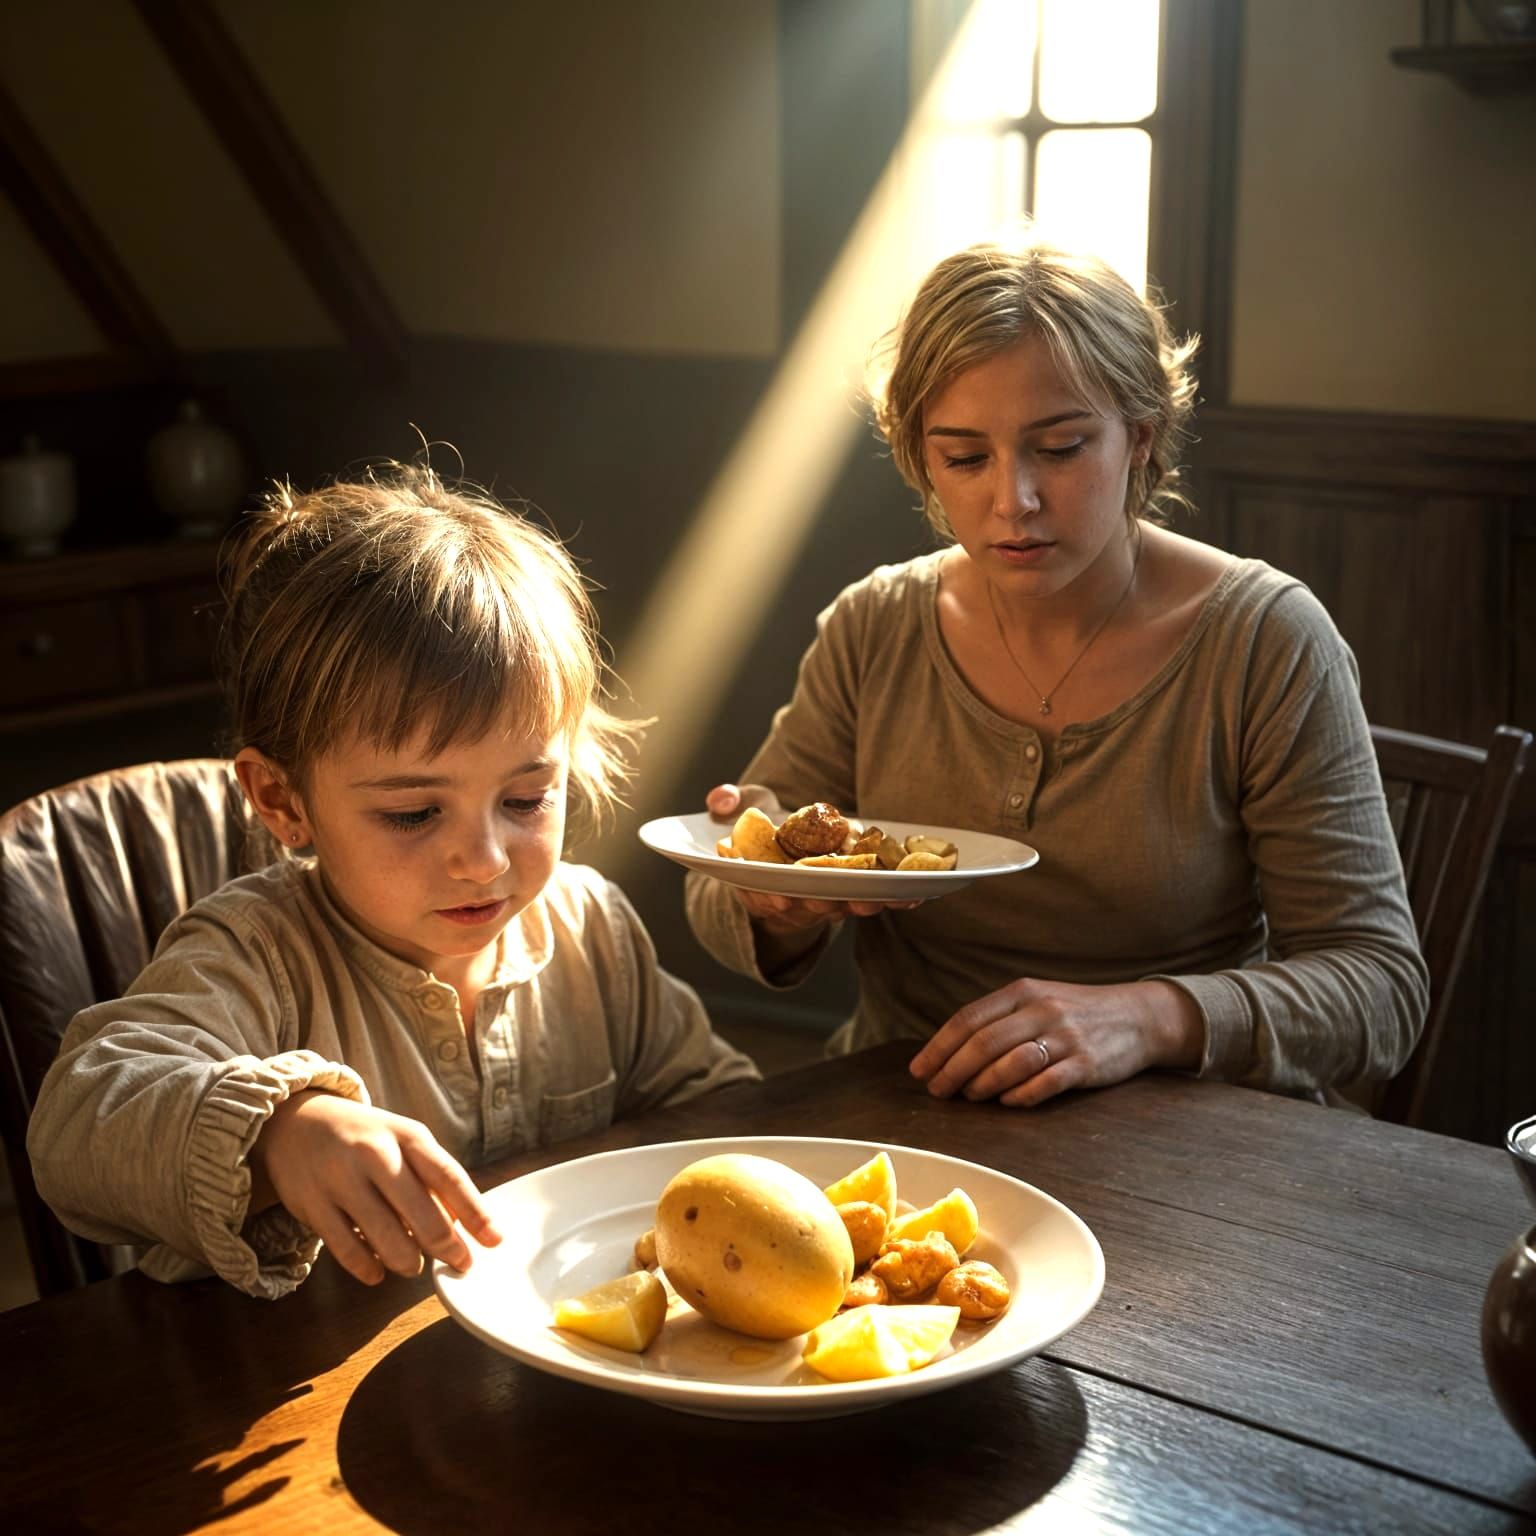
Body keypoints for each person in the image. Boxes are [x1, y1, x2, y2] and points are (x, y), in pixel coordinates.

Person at [686, 243, 1426, 1111]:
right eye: (965, 459)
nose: (1014, 501)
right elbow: (720, 886)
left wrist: (1150, 1019)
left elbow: (1380, 989)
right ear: (923, 460)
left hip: (1189, 1134)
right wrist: (772, 901)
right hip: (913, 1109)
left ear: (1139, 437)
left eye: (1062, 448)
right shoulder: (875, 625)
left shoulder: (1263, 640)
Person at [29, 465, 758, 1299]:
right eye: (414, 814)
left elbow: (715, 1108)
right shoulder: (256, 953)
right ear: (282, 799)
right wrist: (278, 1129)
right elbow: (74, 1125)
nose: (484, 859)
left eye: (526, 798)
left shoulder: (589, 927)